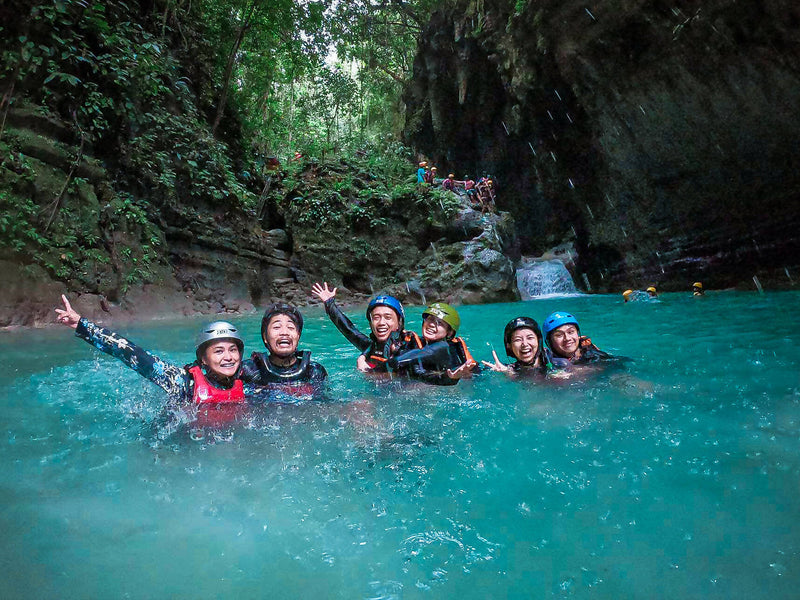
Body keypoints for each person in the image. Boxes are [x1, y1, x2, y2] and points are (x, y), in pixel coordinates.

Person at [54, 295, 248, 427]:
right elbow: (132, 354)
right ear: (203, 359)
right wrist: (82, 325)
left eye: (233, 350)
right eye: (218, 351)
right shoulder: (182, 382)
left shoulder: (247, 381)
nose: (228, 357)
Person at [311, 282, 422, 374]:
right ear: (371, 323)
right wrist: (329, 303)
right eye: (376, 317)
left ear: (399, 323)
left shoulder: (410, 345)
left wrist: (368, 371)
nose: (381, 322)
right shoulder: (370, 347)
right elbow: (348, 329)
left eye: (388, 317)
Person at [240, 303, 327, 396]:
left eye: (290, 327)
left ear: (298, 336)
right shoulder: (249, 370)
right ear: (265, 336)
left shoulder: (314, 372)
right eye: (277, 327)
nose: (284, 333)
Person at [387, 302, 478, 385]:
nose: (431, 324)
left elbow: (476, 372)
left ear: (449, 332)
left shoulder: (450, 349)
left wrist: (492, 369)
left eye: (440, 323)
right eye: (430, 319)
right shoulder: (410, 343)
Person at [482, 317, 566, 378]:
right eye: (518, 340)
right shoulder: (507, 369)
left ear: (538, 341)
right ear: (509, 346)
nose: (525, 344)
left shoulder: (560, 365)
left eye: (530, 338)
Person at [541, 311, 613, 364]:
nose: (567, 338)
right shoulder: (545, 362)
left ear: (577, 334)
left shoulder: (594, 356)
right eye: (559, 335)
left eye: (571, 332)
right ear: (549, 341)